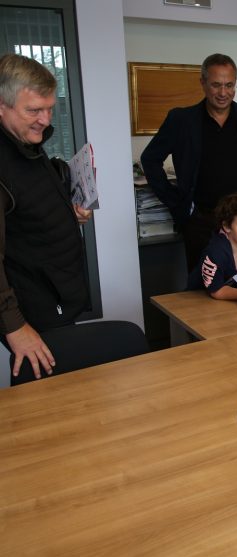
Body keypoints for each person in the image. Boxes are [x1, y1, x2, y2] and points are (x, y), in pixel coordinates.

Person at [141, 53, 237, 272]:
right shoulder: (181, 120)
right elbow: (150, 159)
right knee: (203, 283)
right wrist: (175, 200)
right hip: (201, 221)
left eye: (229, 85)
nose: (223, 93)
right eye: (216, 85)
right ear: (203, 83)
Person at [0, 53, 91, 380]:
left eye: (50, 108)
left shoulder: (24, 141)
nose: (45, 119)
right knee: (51, 395)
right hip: (33, 311)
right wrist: (15, 326)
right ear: (2, 106)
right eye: (34, 110)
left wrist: (66, 213)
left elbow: (27, 204)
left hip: (57, 298)